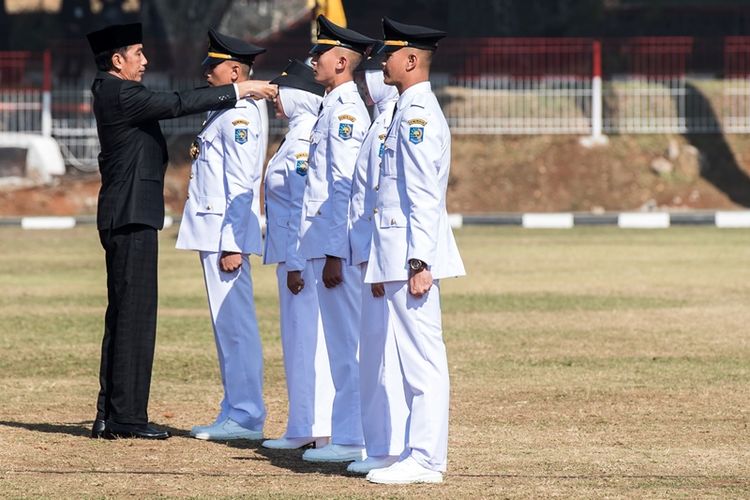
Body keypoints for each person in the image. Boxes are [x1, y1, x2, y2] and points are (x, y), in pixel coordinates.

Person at [86, 22, 277, 440]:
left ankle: (111, 413)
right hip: (131, 214)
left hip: (128, 213)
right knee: (133, 318)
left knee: (123, 316)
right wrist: (241, 91)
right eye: (138, 53)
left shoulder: (110, 89)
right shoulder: (119, 91)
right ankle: (128, 418)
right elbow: (174, 103)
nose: (145, 60)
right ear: (117, 61)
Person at [363, 17, 466, 484]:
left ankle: (426, 459)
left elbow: (423, 193)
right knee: (407, 357)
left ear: (410, 59)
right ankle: (413, 452)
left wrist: (420, 261)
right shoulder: (406, 109)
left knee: (422, 358)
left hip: (409, 254)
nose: (382, 60)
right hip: (398, 251)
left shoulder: (418, 113)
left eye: (390, 53)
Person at [285, 15, 375, 463]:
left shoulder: (343, 112)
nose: (312, 60)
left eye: (319, 54)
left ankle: (352, 437)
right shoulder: (332, 106)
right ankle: (347, 434)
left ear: (342, 61)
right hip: (323, 243)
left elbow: (342, 187)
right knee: (341, 348)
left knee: (347, 348)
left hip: (334, 246)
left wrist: (336, 251)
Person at [175, 29, 268, 441]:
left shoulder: (240, 114)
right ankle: (235, 408)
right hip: (213, 231)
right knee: (225, 325)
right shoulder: (224, 109)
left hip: (223, 235)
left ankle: (247, 414)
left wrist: (233, 241)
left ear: (234, 70)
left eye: (211, 66)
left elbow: (244, 180)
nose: (205, 74)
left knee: (235, 325)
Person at [260, 60, 335, 450]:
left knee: (309, 344)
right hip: (294, 260)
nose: (275, 99)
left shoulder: (304, 141)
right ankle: (302, 423)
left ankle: (316, 426)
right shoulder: (295, 136)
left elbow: (303, 209)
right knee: (297, 344)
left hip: (301, 262)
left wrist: (293, 263)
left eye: (281, 92)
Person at [346, 55, 408, 475]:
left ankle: (392, 445)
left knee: (385, 355)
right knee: (372, 354)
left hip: (383, 251)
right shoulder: (379, 120)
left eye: (371, 79)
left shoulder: (390, 121)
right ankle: (381, 444)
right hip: (371, 251)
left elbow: (380, 195)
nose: (369, 85)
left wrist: (372, 255)